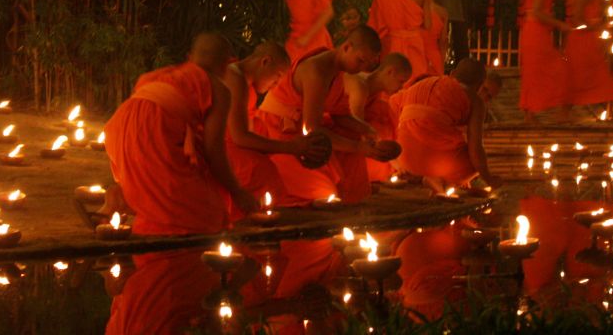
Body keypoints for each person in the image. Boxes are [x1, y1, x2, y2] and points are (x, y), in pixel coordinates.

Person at [103, 33, 258, 235]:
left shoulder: (167, 74)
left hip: (121, 126)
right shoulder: (218, 88)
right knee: (207, 215)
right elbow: (214, 151)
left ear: (190, 57)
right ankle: (160, 232)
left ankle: (130, 203)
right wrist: (237, 192)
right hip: (153, 129)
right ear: (226, 64)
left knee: (164, 192)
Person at [255, 26, 397, 206]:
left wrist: (369, 132)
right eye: (360, 61)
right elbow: (312, 129)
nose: (361, 68)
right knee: (324, 191)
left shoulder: (336, 72)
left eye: (367, 65)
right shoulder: (316, 70)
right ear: (346, 47)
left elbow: (340, 116)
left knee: (352, 138)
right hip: (278, 131)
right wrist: (359, 147)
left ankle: (353, 197)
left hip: (303, 132)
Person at [222, 42, 330, 219]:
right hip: (216, 146)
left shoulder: (245, 83)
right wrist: (291, 147)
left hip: (229, 144)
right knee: (262, 173)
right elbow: (239, 137)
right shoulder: (235, 79)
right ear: (265, 61)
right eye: (277, 76)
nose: (276, 84)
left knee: (270, 170)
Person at [395, 59, 503, 192]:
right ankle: (440, 180)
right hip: (435, 163)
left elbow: (394, 105)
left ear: (452, 74)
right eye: (484, 90)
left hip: (404, 159)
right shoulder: (475, 101)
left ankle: (420, 176)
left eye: (489, 96)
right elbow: (475, 149)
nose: (485, 96)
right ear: (479, 85)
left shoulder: (423, 83)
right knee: (473, 163)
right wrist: (489, 178)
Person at [336, 52, 412, 184]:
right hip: (337, 132)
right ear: (390, 72)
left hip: (358, 136)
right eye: (401, 81)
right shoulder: (359, 86)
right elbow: (355, 129)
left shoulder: (375, 92)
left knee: (385, 118)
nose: (401, 88)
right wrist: (389, 157)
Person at [519, 0, 571, 124]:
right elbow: (537, 13)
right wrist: (558, 24)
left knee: (534, 70)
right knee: (556, 68)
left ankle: (530, 113)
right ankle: (537, 112)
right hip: (536, 31)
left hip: (533, 31)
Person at [564, 0, 613, 109]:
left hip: (591, 38)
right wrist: (594, 26)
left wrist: (604, 24)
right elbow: (577, 18)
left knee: (599, 75)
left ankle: (612, 109)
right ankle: (565, 111)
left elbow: (600, 16)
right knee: (576, 77)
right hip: (580, 39)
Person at [367, 0, 431, 76]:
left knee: (391, 81)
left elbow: (373, 26)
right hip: (414, 44)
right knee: (414, 83)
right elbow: (428, 25)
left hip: (391, 45)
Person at [420, 0, 449, 75]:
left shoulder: (416, 10)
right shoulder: (443, 13)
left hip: (418, 52)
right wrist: (442, 61)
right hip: (434, 54)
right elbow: (443, 41)